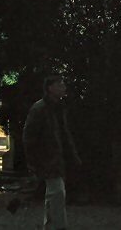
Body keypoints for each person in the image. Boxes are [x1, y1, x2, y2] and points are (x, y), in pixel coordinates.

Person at [20, 74, 81, 229]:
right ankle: (59, 226)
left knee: (54, 194)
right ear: (50, 88)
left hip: (57, 157)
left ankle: (51, 225)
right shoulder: (39, 108)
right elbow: (29, 137)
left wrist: (72, 155)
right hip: (47, 158)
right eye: (60, 84)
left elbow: (64, 134)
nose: (63, 87)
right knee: (57, 192)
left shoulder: (58, 107)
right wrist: (33, 162)